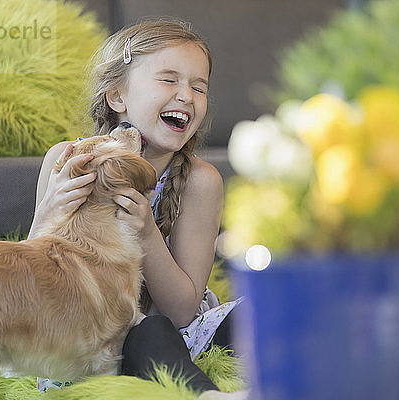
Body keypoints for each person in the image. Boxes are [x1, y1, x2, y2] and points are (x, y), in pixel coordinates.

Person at [27, 20, 246, 399]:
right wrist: (48, 215)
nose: (186, 96)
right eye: (168, 80)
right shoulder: (68, 160)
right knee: (147, 329)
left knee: (258, 311)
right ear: (117, 96)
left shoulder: (200, 181)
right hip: (90, 341)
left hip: (178, 329)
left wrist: (146, 232)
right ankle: (206, 395)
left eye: (199, 87)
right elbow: (32, 284)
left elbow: (181, 312)